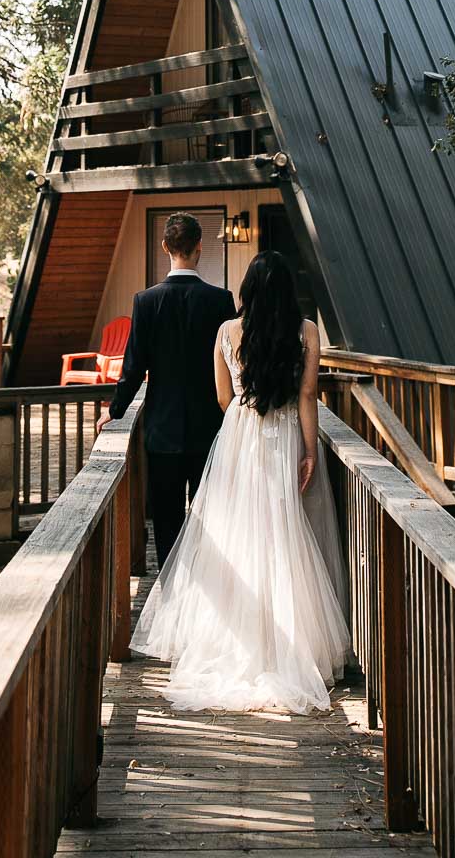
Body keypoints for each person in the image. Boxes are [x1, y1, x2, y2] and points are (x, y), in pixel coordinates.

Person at [132, 248, 350, 714]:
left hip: (241, 433)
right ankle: (288, 646)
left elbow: (223, 395)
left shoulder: (228, 331)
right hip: (285, 434)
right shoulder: (306, 331)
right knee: (282, 530)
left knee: (236, 533)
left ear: (248, 289)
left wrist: (244, 424)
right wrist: (310, 451)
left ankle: (233, 638)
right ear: (287, 289)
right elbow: (309, 394)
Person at [97, 211, 236, 568]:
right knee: (212, 510)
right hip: (211, 426)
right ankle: (211, 574)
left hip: (163, 428)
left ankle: (171, 581)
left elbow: (133, 367)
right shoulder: (221, 300)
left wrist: (114, 411)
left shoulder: (146, 301)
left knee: (166, 516)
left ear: (165, 247)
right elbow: (234, 364)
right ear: (199, 248)